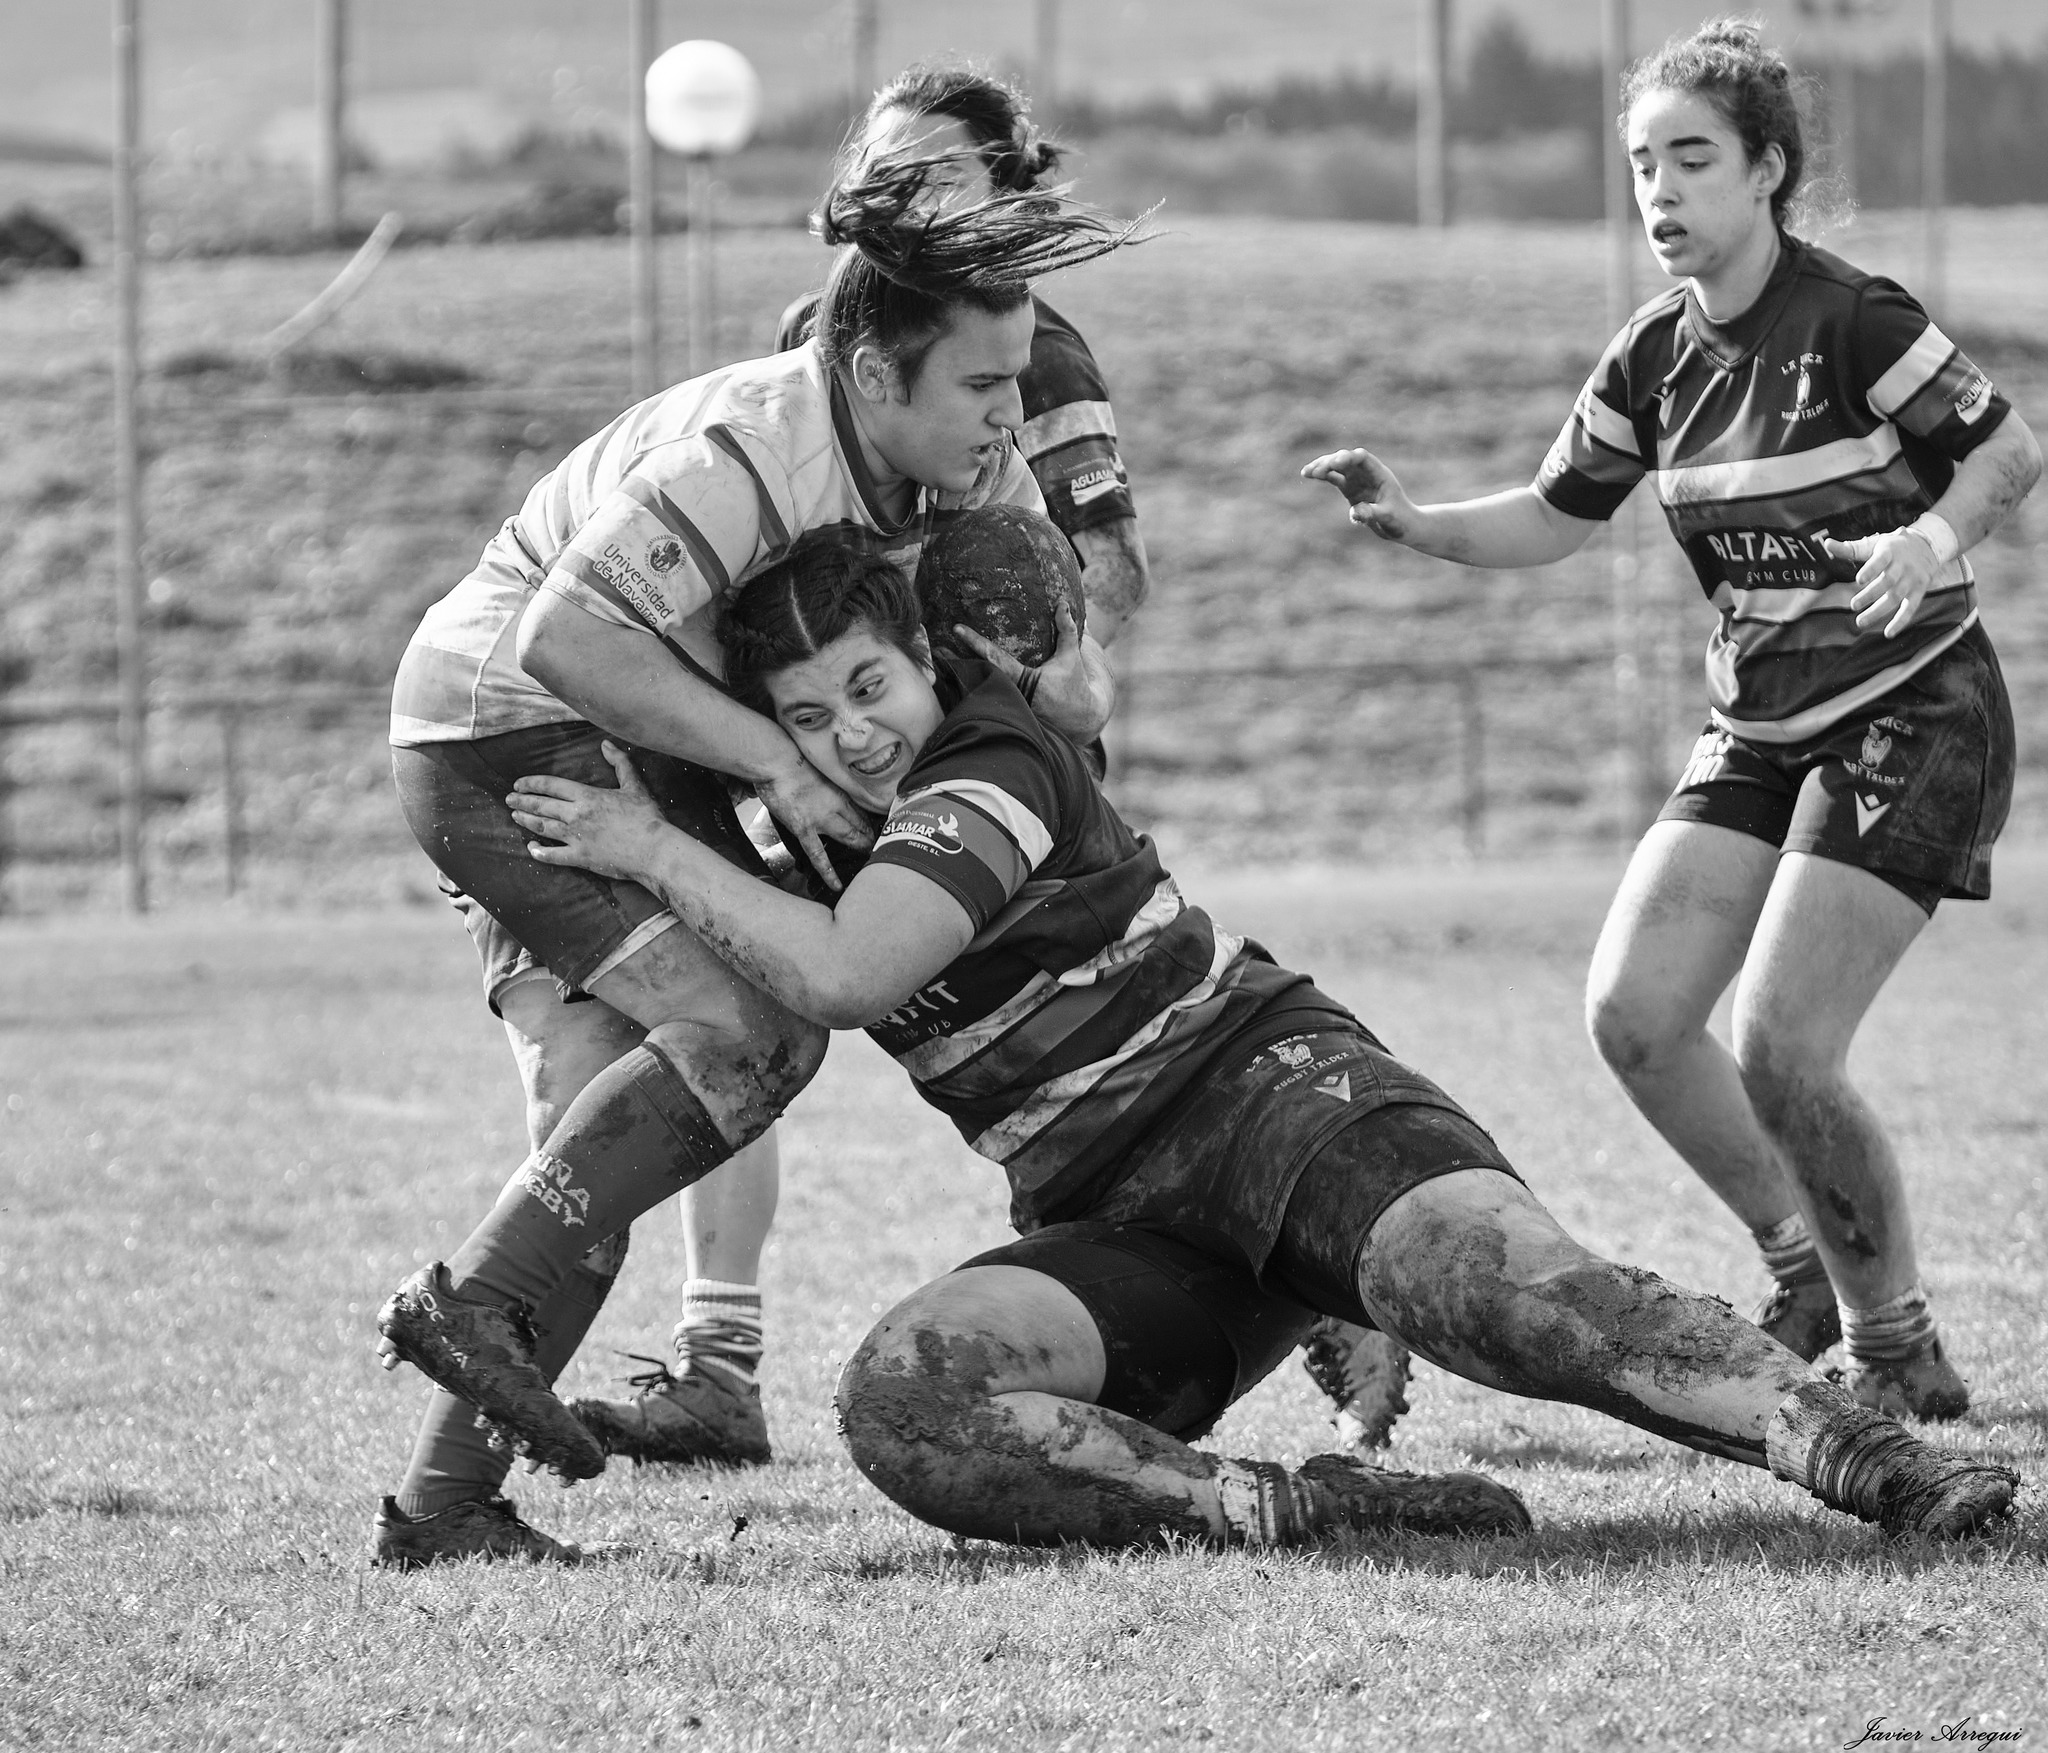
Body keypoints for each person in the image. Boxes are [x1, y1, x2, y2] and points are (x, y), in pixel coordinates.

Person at [501, 523, 2017, 1550]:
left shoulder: (995, 751)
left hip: (1275, 1097)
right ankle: (1295, 1507)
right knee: (903, 1400)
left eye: (869, 684)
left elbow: (846, 974)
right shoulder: (797, 832)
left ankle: (1865, 1453)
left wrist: (645, 843)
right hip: (1118, 1218)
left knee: (1487, 1292)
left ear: (924, 660)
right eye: (809, 713)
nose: (854, 732)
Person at [567, 61, 1403, 1470]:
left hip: (981, 781)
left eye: (932, 178)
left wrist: (997, 711)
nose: (895, 203)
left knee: (1065, 1076)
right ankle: (726, 1355)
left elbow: (1104, 576)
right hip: (843, 750)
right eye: (879, 175)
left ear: (1009, 198)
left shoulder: (1035, 353)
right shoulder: (813, 343)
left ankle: (1303, 1266)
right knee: (877, 1040)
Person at [367, 159, 1139, 1568]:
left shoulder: (957, 456)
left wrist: (1053, 646)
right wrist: (778, 764)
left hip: (632, 738)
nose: (1008, 413)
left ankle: (444, 1502)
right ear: (868, 370)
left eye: (1021, 378)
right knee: (754, 1033)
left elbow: (1071, 684)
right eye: (981, 386)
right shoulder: (756, 449)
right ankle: (473, 1329)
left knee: (634, 1104)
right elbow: (564, 641)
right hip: (509, 727)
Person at [1304, 21, 2040, 1424]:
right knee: (1636, 1015)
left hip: (1912, 712)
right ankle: (1799, 1265)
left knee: (1781, 1044)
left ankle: (1896, 1349)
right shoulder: (1652, 356)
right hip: (1760, 725)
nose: (1659, 189)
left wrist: (1931, 543)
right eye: (1641, 162)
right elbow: (1550, 513)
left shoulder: (1854, 320)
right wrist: (1413, 525)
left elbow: (2006, 448)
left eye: (1691, 158)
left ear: (1768, 170)